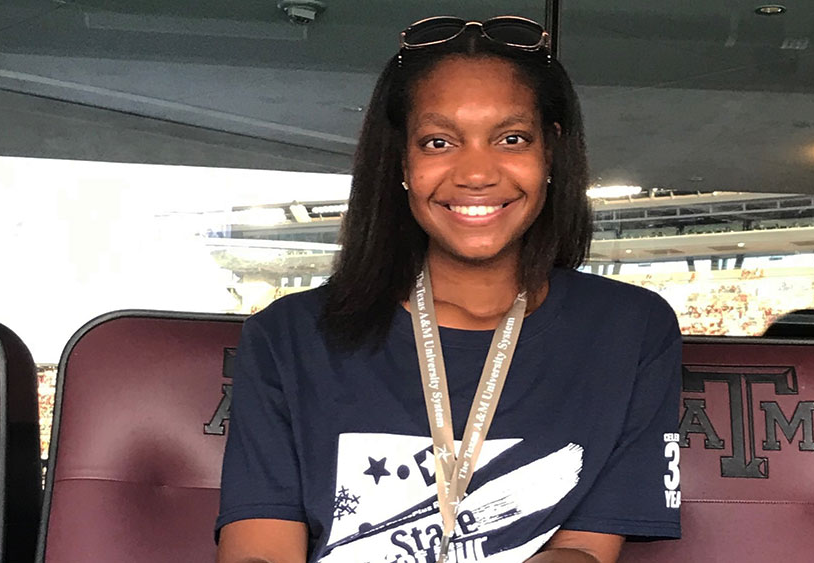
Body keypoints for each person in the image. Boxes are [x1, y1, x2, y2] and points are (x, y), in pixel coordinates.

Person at [216, 15, 681, 563]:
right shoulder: (289, 337)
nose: (477, 173)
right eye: (439, 141)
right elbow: (259, 551)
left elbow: (584, 550)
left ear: (550, 151)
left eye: (512, 138)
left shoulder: (628, 330)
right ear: (402, 163)